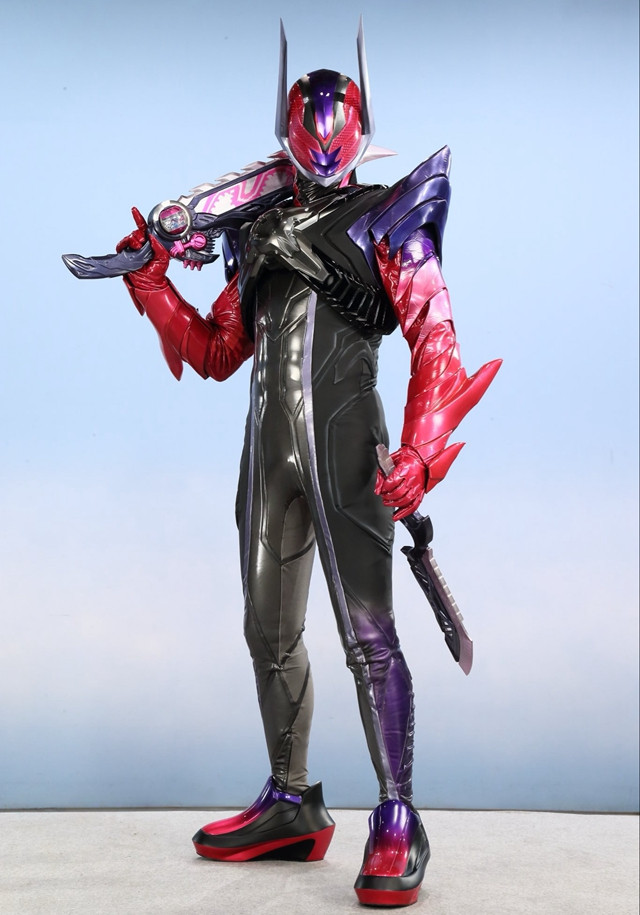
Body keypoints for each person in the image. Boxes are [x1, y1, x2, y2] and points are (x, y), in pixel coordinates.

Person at [111, 29, 500, 909]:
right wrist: (152, 282)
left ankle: (398, 816)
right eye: (308, 128)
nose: (323, 145)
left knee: (369, 636)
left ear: (359, 131)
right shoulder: (255, 230)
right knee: (267, 629)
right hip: (268, 452)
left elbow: (436, 338)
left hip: (348, 446)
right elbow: (219, 352)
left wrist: (420, 450)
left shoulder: (387, 217)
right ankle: (291, 801)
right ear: (286, 132)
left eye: (336, 128)